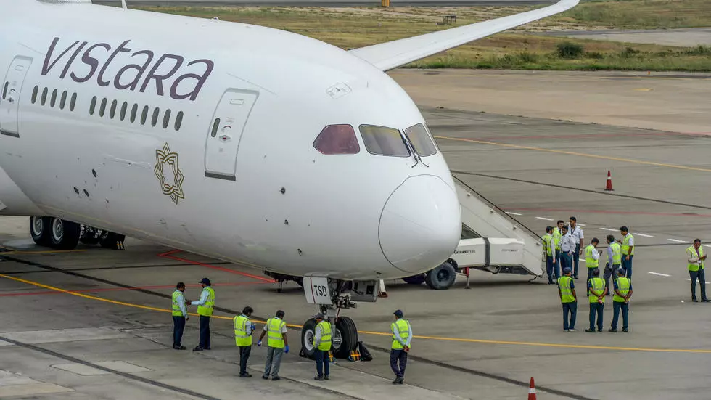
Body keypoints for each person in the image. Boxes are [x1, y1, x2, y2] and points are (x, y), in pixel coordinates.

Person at [258, 310, 289, 380]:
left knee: (269, 359)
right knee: (277, 360)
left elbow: (264, 332)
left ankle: (266, 374)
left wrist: (260, 339)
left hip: (270, 343)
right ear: (282, 316)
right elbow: (284, 335)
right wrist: (286, 345)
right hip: (279, 345)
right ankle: (274, 375)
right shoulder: (282, 323)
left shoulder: (269, 321)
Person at [190, 278, 215, 351]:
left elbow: (202, 302)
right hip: (208, 311)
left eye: (202, 283)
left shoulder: (205, 291)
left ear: (204, 284)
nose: (201, 285)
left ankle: (201, 345)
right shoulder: (211, 290)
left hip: (204, 311)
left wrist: (191, 302)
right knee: (206, 329)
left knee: (203, 329)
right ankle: (207, 345)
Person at [390, 309, 412, 384]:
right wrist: (406, 344)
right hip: (405, 347)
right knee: (403, 363)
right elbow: (410, 335)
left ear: (396, 316)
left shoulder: (394, 324)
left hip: (396, 346)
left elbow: (397, 336)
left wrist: (403, 344)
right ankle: (400, 377)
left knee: (393, 362)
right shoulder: (407, 323)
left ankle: (399, 376)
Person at [234, 306, 255, 377]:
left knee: (241, 356)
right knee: (245, 357)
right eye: (250, 313)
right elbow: (248, 332)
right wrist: (252, 329)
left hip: (239, 340)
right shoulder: (247, 321)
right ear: (248, 312)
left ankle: (241, 370)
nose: (250, 315)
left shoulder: (236, 318)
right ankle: (242, 372)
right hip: (246, 341)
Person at [312, 314, 332, 381]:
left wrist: (315, 345)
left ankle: (320, 375)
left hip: (321, 346)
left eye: (317, 319)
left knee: (319, 361)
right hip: (327, 345)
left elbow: (317, 338)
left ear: (319, 319)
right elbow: (331, 334)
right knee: (326, 361)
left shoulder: (319, 326)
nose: (316, 320)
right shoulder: (328, 324)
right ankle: (327, 375)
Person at [558, 267, 577, 332]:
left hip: (564, 299)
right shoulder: (570, 280)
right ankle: (571, 327)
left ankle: (565, 327)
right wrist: (575, 297)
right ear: (568, 273)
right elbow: (573, 290)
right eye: (570, 272)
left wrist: (561, 297)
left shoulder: (560, 279)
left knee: (565, 314)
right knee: (573, 313)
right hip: (571, 299)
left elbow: (560, 291)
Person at [171, 282, 189, 350]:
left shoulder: (175, 293)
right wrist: (186, 315)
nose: (184, 289)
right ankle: (177, 344)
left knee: (176, 329)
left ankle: (175, 343)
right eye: (184, 287)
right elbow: (182, 306)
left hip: (174, 314)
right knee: (179, 330)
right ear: (180, 287)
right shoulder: (180, 295)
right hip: (179, 315)